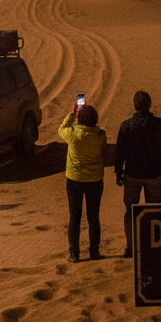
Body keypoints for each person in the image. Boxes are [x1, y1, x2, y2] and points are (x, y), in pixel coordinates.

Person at [114, 90, 161, 258]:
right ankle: (153, 245)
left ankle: (131, 246)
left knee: (130, 211)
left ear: (135, 106)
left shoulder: (127, 125)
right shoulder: (158, 123)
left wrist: (118, 171)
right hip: (153, 173)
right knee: (153, 210)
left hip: (133, 175)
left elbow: (119, 152)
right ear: (149, 105)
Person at [58, 101, 107, 262]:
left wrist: (72, 113)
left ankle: (74, 252)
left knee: (75, 217)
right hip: (95, 180)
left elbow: (61, 129)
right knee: (94, 216)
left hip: (75, 180)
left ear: (79, 120)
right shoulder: (100, 136)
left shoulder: (73, 135)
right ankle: (94, 251)